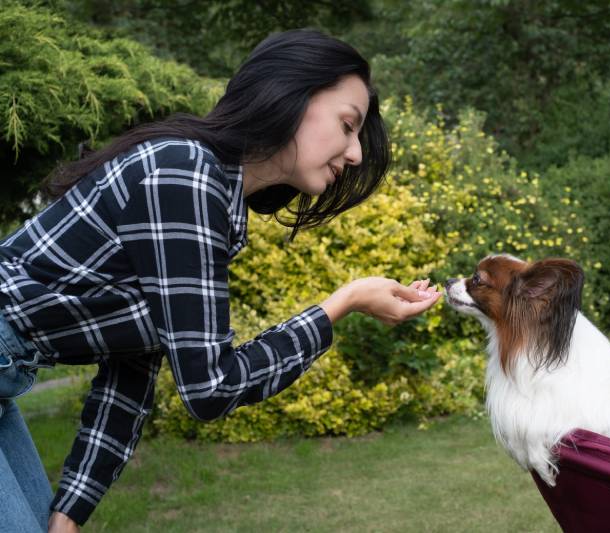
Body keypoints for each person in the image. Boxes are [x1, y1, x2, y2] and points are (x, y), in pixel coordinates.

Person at [0, 29, 441, 532]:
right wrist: (342, 303)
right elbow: (210, 387)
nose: (356, 153)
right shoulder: (185, 175)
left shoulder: (210, 198)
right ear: (288, 95)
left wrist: (69, 513)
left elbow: (131, 373)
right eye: (347, 125)